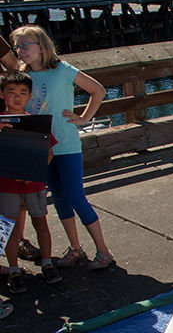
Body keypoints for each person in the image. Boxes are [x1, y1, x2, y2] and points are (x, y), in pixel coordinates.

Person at [11, 25, 115, 270]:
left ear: (41, 46)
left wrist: (85, 117)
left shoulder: (62, 70)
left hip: (66, 145)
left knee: (76, 197)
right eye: (17, 47)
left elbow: (97, 90)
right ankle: (75, 248)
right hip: (40, 148)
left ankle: (104, 251)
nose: (20, 51)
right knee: (59, 199)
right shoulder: (23, 75)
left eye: (25, 45)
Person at [0, 71, 60, 294]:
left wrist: (33, 172)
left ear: (29, 96)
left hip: (33, 184)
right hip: (6, 185)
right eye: (11, 92)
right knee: (9, 228)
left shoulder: (37, 122)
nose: (17, 97)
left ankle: (47, 263)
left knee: (41, 223)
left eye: (23, 93)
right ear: (2, 94)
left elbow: (49, 152)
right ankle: (14, 270)